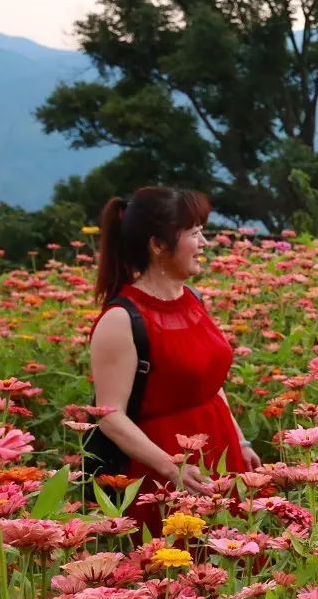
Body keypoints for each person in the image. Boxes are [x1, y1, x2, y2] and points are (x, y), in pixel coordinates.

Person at [88, 187, 261, 533]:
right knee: (178, 575)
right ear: (157, 245)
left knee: (234, 566)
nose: (204, 243)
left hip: (221, 451)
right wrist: (171, 469)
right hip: (162, 471)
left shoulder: (193, 299)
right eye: (195, 234)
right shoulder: (122, 318)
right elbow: (109, 416)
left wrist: (240, 441)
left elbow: (209, 385)